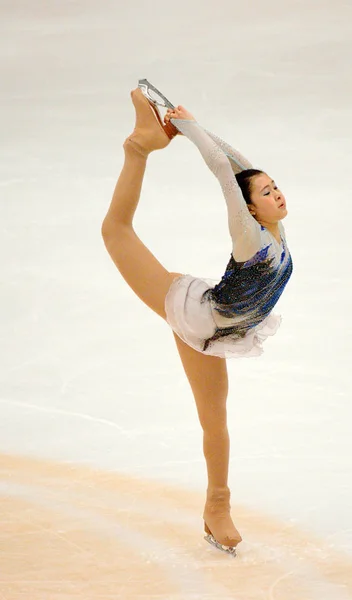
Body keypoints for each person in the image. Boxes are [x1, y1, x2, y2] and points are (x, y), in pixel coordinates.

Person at [101, 83, 293, 555]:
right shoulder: (248, 235)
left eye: (276, 188)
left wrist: (196, 128)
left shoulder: (275, 230)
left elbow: (240, 168)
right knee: (115, 231)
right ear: (251, 208)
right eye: (268, 192)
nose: (277, 194)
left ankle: (217, 506)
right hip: (195, 313)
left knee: (215, 421)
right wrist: (185, 128)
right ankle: (137, 148)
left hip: (218, 331)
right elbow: (226, 177)